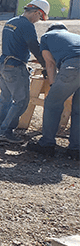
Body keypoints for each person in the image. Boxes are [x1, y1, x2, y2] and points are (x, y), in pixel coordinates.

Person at [0, 0, 50, 144]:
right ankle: (5, 132)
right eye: (40, 17)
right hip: (15, 67)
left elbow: (15, 44)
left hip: (4, 64)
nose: (38, 20)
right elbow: (34, 45)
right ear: (37, 13)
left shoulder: (11, 22)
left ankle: (0, 129)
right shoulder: (27, 26)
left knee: (5, 99)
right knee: (21, 101)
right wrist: (46, 64)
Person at [26, 23, 80, 160]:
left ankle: (46, 145)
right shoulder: (74, 37)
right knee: (78, 110)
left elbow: (49, 63)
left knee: (52, 103)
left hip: (72, 67)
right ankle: (76, 149)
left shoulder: (47, 37)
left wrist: (52, 84)